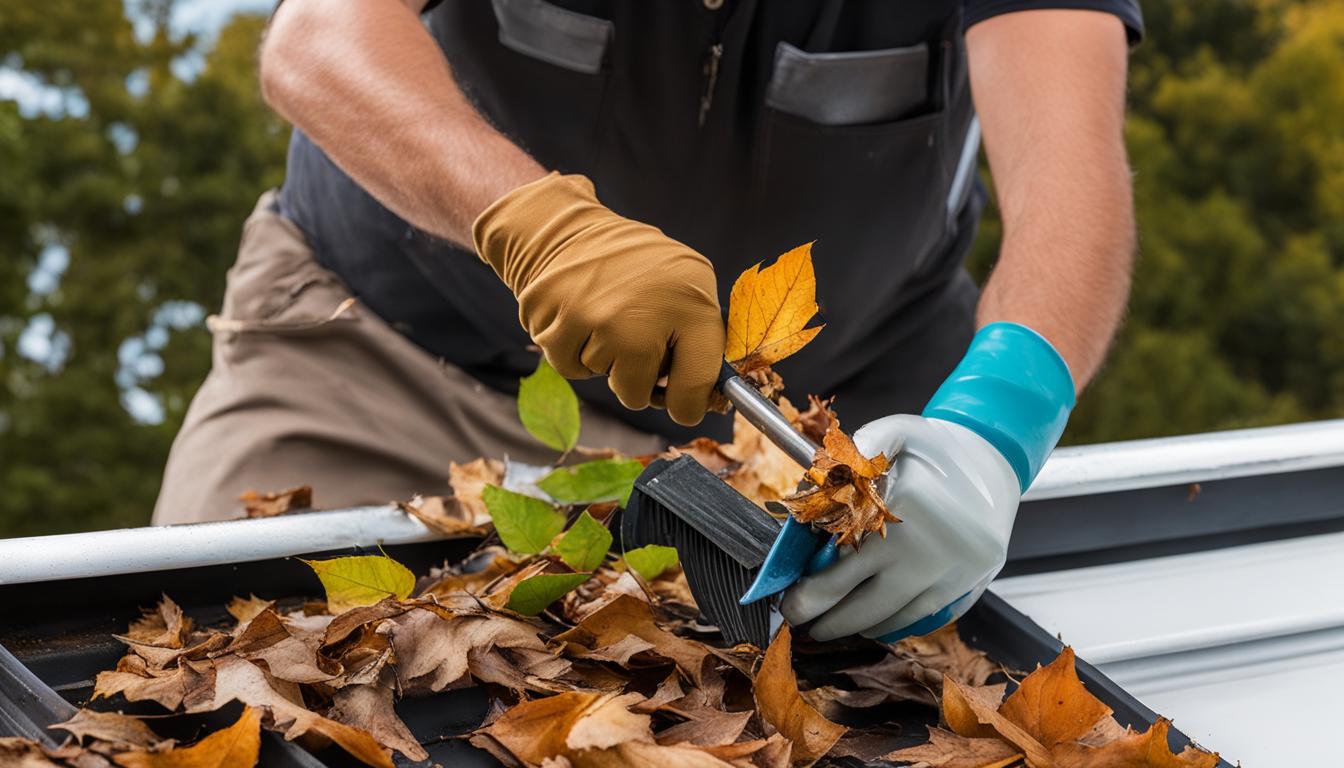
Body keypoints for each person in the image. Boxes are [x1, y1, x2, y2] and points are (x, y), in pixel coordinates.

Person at [155, 0, 1141, 642]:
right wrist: (536, 225)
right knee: (215, 659)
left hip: (814, 455)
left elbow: (1072, 174)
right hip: (382, 358)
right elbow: (318, 37)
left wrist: (988, 435)